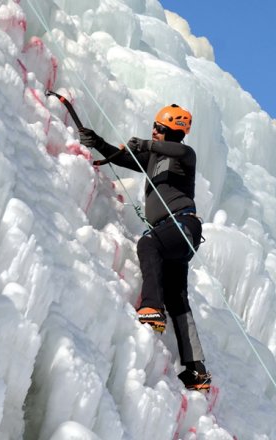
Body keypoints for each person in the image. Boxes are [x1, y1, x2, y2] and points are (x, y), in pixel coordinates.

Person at [78, 104, 210, 392]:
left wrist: (149, 144)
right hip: (172, 231)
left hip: (183, 226)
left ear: (174, 131)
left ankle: (152, 308)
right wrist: (97, 141)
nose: (154, 131)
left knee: (148, 244)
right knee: (178, 297)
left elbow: (177, 151)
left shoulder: (184, 155)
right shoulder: (153, 158)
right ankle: (196, 370)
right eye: (154, 127)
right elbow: (122, 157)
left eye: (159, 128)